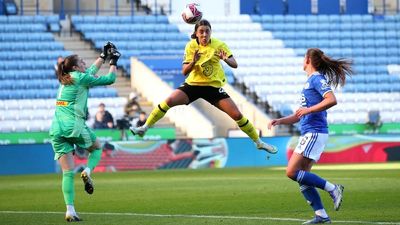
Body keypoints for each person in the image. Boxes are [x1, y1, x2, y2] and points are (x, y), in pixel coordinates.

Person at [130, 19, 277, 154]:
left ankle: (258, 142)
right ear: (196, 33)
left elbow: (235, 64)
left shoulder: (219, 45)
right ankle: (145, 128)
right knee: (168, 101)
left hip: (212, 88)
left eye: (207, 31)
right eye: (201, 31)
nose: (204, 34)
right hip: (193, 85)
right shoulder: (191, 46)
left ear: (210, 32)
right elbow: (184, 71)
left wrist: (225, 59)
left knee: (237, 115)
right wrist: (193, 62)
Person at [268, 48, 353, 224]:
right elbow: (300, 114)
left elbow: (331, 100)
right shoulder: (309, 82)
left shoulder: (317, 79)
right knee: (302, 176)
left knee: (291, 171)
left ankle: (333, 188)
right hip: (309, 131)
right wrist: (280, 121)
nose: (302, 61)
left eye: (303, 58)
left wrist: (309, 109)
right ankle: (321, 215)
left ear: (307, 59)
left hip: (315, 131)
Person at [49, 42, 120, 222]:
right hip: (73, 125)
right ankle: (88, 171)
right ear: (75, 67)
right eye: (82, 61)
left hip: (56, 128)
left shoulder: (67, 79)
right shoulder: (80, 78)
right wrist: (113, 62)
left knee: (67, 172)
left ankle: (70, 210)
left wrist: (102, 57)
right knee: (97, 148)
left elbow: (88, 73)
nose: (85, 63)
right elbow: (110, 79)